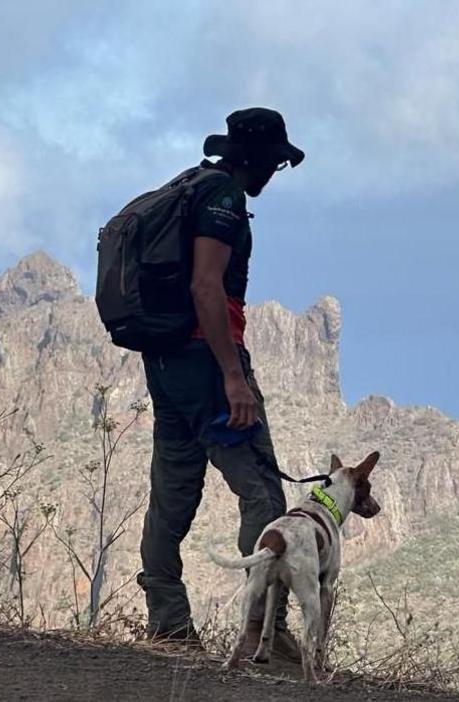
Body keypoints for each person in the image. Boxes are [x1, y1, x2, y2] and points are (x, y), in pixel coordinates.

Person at [136, 107, 305, 663]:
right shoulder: (224, 201)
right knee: (264, 495)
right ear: (257, 161)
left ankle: (168, 626)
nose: (275, 174)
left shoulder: (188, 185)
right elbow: (206, 286)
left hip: (165, 364)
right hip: (207, 363)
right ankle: (265, 630)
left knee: (171, 497)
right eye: (275, 163)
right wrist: (233, 376)